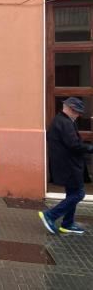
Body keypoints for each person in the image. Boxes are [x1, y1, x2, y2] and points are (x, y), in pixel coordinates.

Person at [39, 97, 93, 235]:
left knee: (73, 193)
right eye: (77, 112)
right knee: (79, 194)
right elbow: (73, 145)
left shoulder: (61, 120)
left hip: (66, 164)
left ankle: (67, 224)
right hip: (69, 166)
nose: (78, 115)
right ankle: (50, 215)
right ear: (70, 109)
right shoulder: (65, 122)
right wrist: (89, 148)